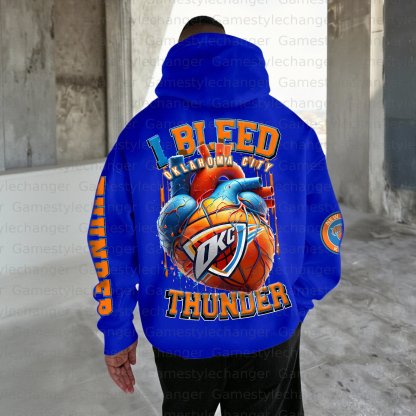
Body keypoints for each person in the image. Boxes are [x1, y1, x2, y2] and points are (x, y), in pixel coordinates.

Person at [87, 15, 344, 416]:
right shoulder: (294, 131)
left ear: (180, 52)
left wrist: (117, 328)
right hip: (268, 332)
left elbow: (109, 237)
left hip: (180, 336)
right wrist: (295, 302)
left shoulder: (138, 135)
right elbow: (326, 229)